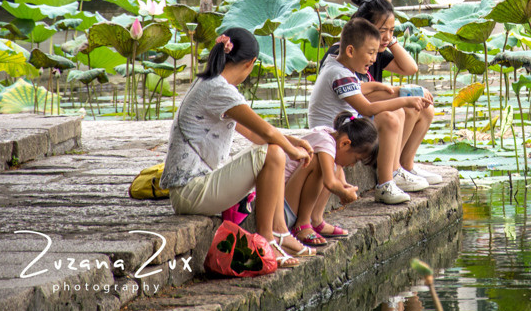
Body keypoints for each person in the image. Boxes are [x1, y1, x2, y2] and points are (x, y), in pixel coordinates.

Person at [160, 27, 316, 267]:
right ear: (250, 62)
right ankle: (267, 239)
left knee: (273, 149)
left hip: (193, 188)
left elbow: (253, 133)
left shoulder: (209, 83)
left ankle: (281, 234)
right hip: (190, 192)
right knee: (273, 152)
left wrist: (292, 141)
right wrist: (292, 151)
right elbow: (266, 133)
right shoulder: (218, 89)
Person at [321, 0, 440, 193]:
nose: (386, 37)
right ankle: (391, 171)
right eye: (382, 30)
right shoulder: (343, 53)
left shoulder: (375, 50)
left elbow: (410, 68)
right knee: (404, 105)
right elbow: (356, 91)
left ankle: (405, 165)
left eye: (392, 31)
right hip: (347, 121)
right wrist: (401, 91)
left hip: (362, 114)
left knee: (424, 108)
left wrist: (389, 40)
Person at [309, 18, 430, 205]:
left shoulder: (337, 66)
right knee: (389, 117)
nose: (374, 59)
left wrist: (381, 87)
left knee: (395, 112)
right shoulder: (339, 74)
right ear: (350, 51)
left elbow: (357, 88)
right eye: (371, 53)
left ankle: (395, 170)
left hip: (343, 126)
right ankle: (385, 183)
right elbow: (367, 108)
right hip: (333, 134)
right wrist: (405, 100)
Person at [284, 111, 378, 246]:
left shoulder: (329, 136)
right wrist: (344, 193)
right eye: (356, 160)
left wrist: (343, 184)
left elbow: (337, 169)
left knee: (332, 164)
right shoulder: (325, 142)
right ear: (345, 144)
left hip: (288, 204)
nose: (352, 166)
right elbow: (329, 182)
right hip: (280, 209)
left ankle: (316, 220)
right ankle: (302, 224)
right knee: (316, 162)